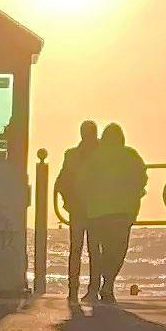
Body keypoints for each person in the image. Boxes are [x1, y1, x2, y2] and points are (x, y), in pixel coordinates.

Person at [86, 123, 145, 305]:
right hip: (123, 212)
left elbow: (85, 180)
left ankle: (100, 284)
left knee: (102, 251)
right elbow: (141, 179)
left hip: (98, 212)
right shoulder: (131, 156)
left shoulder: (95, 156)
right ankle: (108, 283)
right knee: (118, 251)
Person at [53, 119, 100, 309]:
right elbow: (62, 181)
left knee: (82, 250)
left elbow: (61, 181)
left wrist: (67, 201)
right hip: (92, 209)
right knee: (90, 250)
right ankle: (84, 289)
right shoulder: (97, 155)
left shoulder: (73, 155)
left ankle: (79, 290)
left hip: (87, 208)